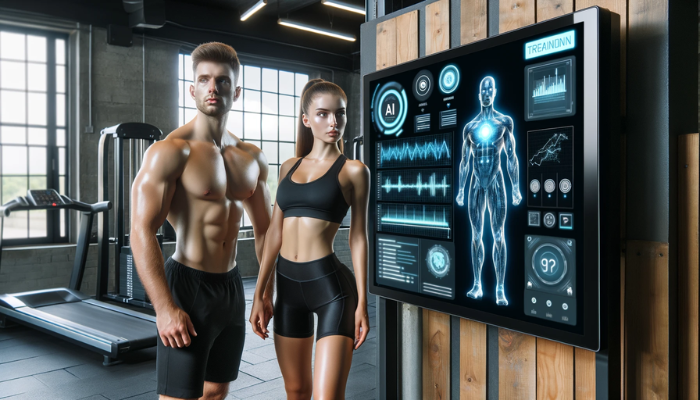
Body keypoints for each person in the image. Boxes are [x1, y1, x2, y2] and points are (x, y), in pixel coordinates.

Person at [130, 42, 274, 400]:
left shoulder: (251, 157)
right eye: (205, 80)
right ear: (192, 89)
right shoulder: (169, 151)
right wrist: (164, 309)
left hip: (231, 287)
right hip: (188, 285)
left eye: (223, 81)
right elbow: (141, 230)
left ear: (236, 91)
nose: (213, 88)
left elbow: (266, 230)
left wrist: (263, 291)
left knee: (216, 391)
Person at [249, 79, 370, 400]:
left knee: (326, 397)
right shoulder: (289, 166)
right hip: (287, 289)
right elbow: (275, 232)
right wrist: (259, 293)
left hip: (331, 289)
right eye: (323, 114)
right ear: (306, 119)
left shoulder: (354, 171)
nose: (333, 122)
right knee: (297, 390)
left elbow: (358, 237)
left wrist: (363, 302)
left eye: (340, 114)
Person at [456, 76, 521, 306]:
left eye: (489, 89)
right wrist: (461, 190)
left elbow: (511, 156)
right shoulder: (470, 127)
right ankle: (477, 285)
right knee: (475, 236)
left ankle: (500, 289)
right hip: (475, 182)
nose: (485, 93)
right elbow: (464, 161)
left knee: (498, 235)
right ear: (478, 94)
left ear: (495, 92)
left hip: (496, 181)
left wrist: (516, 187)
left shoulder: (504, 122)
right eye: (482, 90)